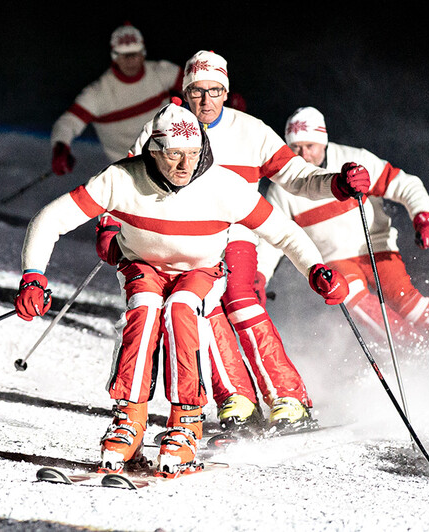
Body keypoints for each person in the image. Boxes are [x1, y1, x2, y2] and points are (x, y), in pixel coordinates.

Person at [14, 100, 354, 478]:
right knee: (143, 309)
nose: (184, 165)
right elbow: (50, 219)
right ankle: (129, 422)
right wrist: (33, 276)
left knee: (181, 310)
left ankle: (185, 425)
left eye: (193, 154)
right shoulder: (122, 178)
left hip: (200, 268)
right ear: (154, 150)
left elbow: (284, 232)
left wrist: (317, 270)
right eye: (174, 154)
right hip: (142, 265)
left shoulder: (224, 185)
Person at [127, 51, 372, 435]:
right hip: (182, 236)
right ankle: (236, 398)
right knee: (199, 307)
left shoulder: (251, 131)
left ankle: (287, 397)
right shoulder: (164, 127)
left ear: (226, 92)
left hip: (237, 231)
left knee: (239, 298)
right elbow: (124, 179)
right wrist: (110, 228)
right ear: (185, 92)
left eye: (214, 91)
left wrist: (336, 184)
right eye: (196, 92)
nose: (205, 101)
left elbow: (297, 176)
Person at [255, 106, 429, 343]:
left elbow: (405, 184)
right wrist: (258, 276)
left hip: (374, 247)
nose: (303, 155)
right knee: (363, 306)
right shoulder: (284, 187)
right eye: (295, 147)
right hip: (335, 259)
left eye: (310, 146)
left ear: (323, 142)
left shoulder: (353, 161)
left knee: (408, 304)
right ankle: (413, 349)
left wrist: (425, 220)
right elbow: (272, 237)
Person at [48, 23, 183, 176]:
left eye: (135, 54)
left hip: (172, 156)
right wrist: (61, 147)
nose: (131, 61)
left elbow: (195, 85)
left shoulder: (162, 72)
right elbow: (68, 122)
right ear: (114, 56)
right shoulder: (98, 94)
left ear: (143, 53)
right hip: (129, 170)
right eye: (125, 55)